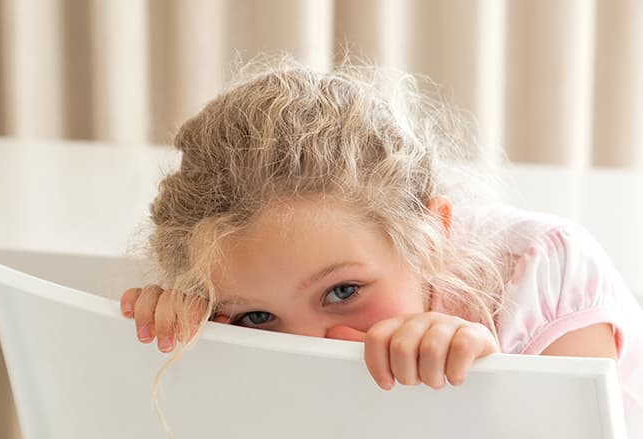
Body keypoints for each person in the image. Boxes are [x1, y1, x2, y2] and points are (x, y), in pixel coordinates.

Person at [119, 62, 642, 433]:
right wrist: (178, 350)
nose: (315, 349)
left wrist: (481, 386)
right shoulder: (228, 302)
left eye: (343, 290)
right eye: (258, 318)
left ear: (431, 237)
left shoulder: (547, 269)